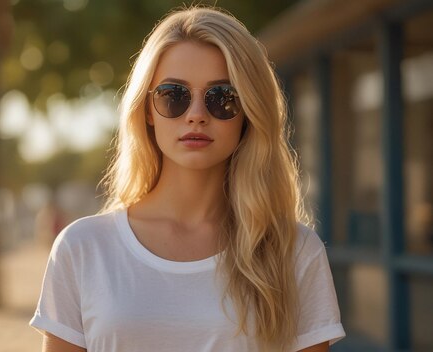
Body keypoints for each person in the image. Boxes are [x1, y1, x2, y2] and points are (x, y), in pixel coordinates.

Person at [30, 6, 345, 352]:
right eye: (174, 95)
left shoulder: (294, 252)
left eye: (222, 98)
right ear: (148, 109)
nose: (196, 115)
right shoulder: (83, 248)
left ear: (249, 113)